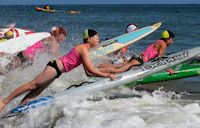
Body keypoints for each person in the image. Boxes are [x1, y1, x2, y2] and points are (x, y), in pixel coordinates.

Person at [0, 29, 116, 112]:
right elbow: (91, 70)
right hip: (54, 67)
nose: (98, 40)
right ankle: (5, 101)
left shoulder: (84, 50)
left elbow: (88, 72)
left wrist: (109, 71)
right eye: (97, 38)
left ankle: (18, 111)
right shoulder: (83, 49)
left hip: (57, 71)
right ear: (90, 39)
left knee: (35, 92)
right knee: (32, 85)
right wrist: (107, 75)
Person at [98, 30, 175, 74]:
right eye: (172, 40)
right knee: (119, 70)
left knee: (118, 66)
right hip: (139, 59)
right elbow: (159, 58)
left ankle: (98, 66)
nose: (172, 42)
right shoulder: (163, 44)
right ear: (169, 39)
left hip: (138, 57)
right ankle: (96, 71)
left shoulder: (158, 42)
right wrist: (168, 69)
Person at [1, 26, 67, 73]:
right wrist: (63, 62)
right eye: (64, 36)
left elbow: (50, 53)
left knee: (8, 72)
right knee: (5, 71)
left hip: (28, 61)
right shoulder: (52, 39)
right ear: (60, 35)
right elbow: (55, 53)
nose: (64, 39)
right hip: (24, 57)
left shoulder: (49, 39)